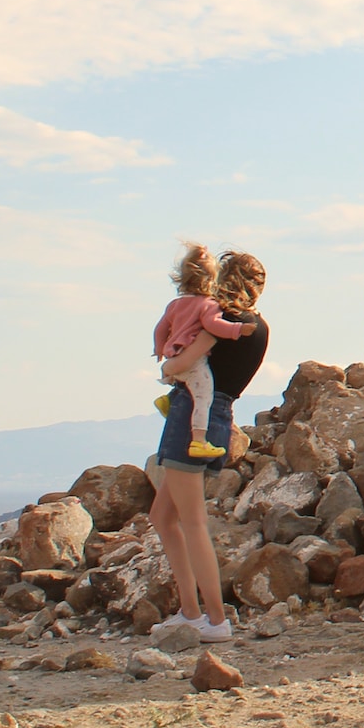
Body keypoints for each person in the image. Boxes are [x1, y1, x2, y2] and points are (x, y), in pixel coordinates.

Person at [149, 249, 272, 641]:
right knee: (162, 516)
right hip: (220, 416)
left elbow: (180, 365)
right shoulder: (259, 327)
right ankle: (190, 612)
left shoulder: (220, 323)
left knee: (191, 521)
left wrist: (166, 365)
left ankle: (215, 621)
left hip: (190, 416)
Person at [150, 243, 253, 460]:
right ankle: (199, 441)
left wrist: (159, 348)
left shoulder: (174, 305)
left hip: (174, 357)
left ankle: (168, 400)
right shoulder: (208, 305)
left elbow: (160, 328)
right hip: (193, 362)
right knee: (204, 397)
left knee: (185, 384)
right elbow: (214, 326)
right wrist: (237, 329)